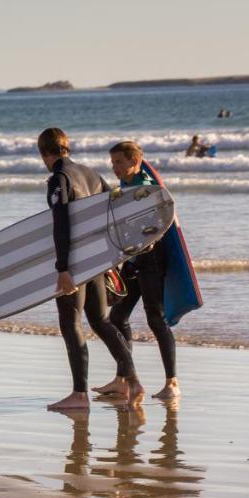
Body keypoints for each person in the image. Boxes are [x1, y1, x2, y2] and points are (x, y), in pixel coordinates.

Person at [38, 128, 138, 411]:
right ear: (65, 147)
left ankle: (79, 395)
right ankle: (133, 381)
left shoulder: (59, 179)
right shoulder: (91, 174)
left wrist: (63, 268)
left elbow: (61, 224)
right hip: (95, 262)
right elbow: (114, 210)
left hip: (74, 263)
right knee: (100, 320)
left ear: (44, 153)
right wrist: (109, 258)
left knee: (71, 324)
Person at [94, 141, 179, 401]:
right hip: (134, 262)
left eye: (119, 162)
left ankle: (172, 383)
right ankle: (124, 379)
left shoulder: (148, 190)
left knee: (156, 319)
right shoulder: (125, 190)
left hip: (152, 261)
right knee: (118, 317)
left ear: (135, 162)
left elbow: (161, 224)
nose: (115, 167)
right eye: (113, 162)